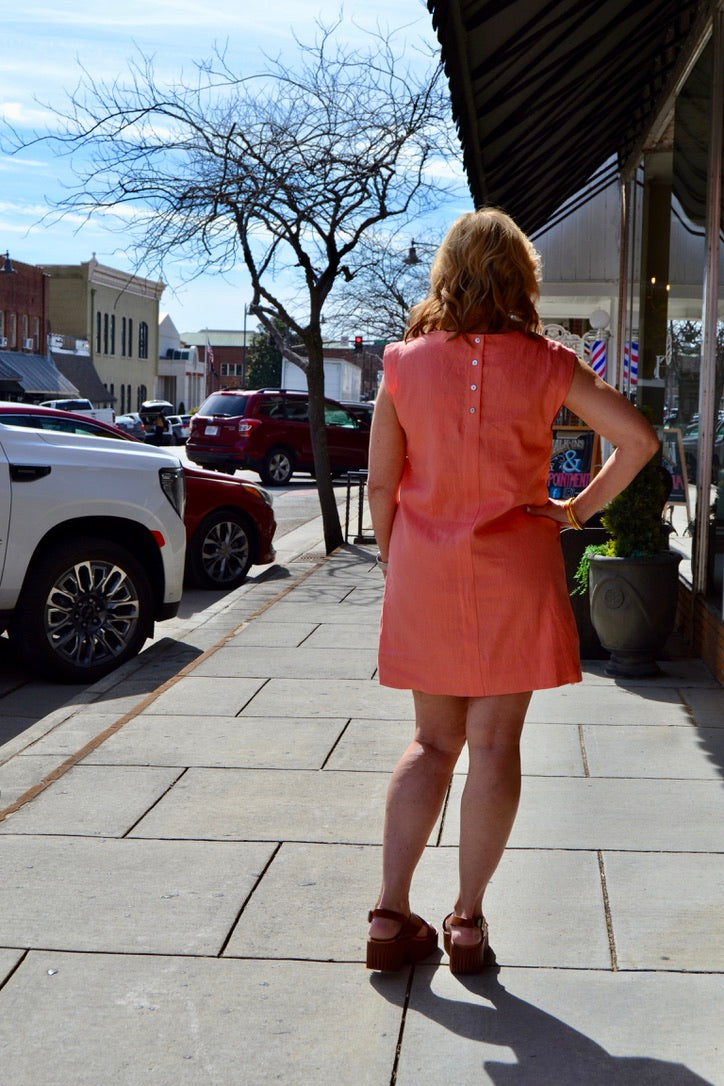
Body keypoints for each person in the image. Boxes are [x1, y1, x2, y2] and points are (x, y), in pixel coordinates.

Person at [365, 208, 659, 975]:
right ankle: (466, 925)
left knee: (431, 744)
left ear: (446, 271)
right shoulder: (548, 363)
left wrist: (402, 567)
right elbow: (640, 440)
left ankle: (390, 915)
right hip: (515, 570)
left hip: (425, 571)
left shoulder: (401, 363)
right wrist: (574, 511)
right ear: (522, 279)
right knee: (495, 745)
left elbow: (380, 483)